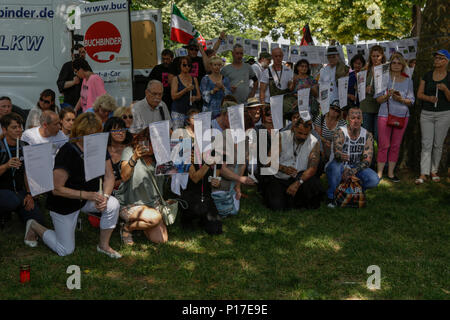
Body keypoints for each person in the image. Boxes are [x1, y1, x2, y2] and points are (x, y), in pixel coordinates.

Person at [26, 113, 122, 258]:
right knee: (65, 250)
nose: (92, 138)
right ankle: (34, 225)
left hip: (87, 198)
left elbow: (109, 176)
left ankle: (103, 245)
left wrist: (106, 196)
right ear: (79, 133)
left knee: (113, 204)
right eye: (88, 135)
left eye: (95, 134)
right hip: (64, 203)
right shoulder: (68, 151)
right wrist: (87, 195)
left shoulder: (99, 146)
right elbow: (56, 189)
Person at [115, 128, 168, 245]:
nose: (152, 146)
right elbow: (124, 175)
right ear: (141, 140)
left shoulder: (159, 157)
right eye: (149, 142)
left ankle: (142, 226)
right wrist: (135, 157)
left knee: (161, 240)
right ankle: (127, 228)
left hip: (153, 205)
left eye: (155, 143)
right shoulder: (129, 151)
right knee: (155, 218)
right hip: (131, 204)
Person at [0, 113, 44, 245]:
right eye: (14, 127)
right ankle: (5, 214)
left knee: (39, 220)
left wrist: (30, 194)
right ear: (4, 129)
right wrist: (6, 166)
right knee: (12, 201)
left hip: (21, 192)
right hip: (3, 190)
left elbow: (27, 173)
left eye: (20, 127)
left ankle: (21, 213)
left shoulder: (25, 146)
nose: (19, 130)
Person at [263, 116, 324, 210]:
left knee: (313, 187)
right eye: (300, 133)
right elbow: (269, 161)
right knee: (276, 206)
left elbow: (313, 168)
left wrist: (298, 183)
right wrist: (284, 168)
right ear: (293, 128)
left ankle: (294, 200)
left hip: (300, 177)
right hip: (280, 176)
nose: (303, 137)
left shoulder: (314, 142)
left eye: (305, 134)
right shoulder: (281, 136)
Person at [326, 107, 379, 208]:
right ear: (347, 119)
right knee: (336, 168)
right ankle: (332, 197)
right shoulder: (340, 132)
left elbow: (367, 161)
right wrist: (341, 158)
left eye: (358, 118)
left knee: (374, 179)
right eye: (353, 118)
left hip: (355, 167)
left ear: (362, 120)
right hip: (339, 164)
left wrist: (352, 171)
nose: (356, 121)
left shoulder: (367, 135)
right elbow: (337, 155)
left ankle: (355, 191)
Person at [375, 53, 414, 182]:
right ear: (390, 64)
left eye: (399, 63)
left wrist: (401, 99)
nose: (396, 65)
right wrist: (387, 96)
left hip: (402, 115)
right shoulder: (384, 78)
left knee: (396, 145)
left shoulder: (408, 79)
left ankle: (391, 173)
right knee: (383, 144)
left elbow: (411, 101)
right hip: (385, 114)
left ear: (403, 65)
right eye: (393, 62)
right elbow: (378, 100)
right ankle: (379, 173)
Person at [415, 49, 450, 184]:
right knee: (426, 144)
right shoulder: (427, 75)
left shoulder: (449, 77)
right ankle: (423, 173)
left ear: (446, 61)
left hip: (444, 114)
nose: (436, 60)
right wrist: (429, 98)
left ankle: (434, 171)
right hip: (427, 114)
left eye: (440, 58)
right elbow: (419, 94)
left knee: (438, 144)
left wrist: (446, 89)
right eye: (436, 58)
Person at [360, 45, 386, 140]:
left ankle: (379, 155)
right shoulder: (365, 70)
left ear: (382, 56)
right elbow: (357, 88)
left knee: (378, 136)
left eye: (377, 56)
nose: (375, 58)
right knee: (367, 136)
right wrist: (364, 89)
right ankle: (369, 155)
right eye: (373, 56)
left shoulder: (385, 70)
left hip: (380, 107)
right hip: (366, 106)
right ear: (370, 57)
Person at [171, 56, 201, 129]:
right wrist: (185, 90)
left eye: (189, 65)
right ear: (180, 66)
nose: (187, 67)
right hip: (178, 111)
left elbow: (199, 96)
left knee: (193, 134)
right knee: (178, 135)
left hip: (191, 112)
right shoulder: (176, 79)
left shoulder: (194, 79)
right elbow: (173, 96)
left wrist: (195, 98)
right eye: (184, 65)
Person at [103, 117, 132, 190]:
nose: (121, 132)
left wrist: (112, 184)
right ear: (108, 132)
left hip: (127, 190)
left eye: (123, 129)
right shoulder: (102, 150)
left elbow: (132, 176)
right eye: (117, 130)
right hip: (104, 192)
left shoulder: (130, 150)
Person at [57, 44, 85, 108]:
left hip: (83, 104)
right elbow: (60, 84)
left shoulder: (86, 66)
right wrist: (73, 82)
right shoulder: (67, 66)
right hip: (69, 104)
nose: (81, 54)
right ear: (72, 55)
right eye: (79, 52)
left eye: (83, 52)